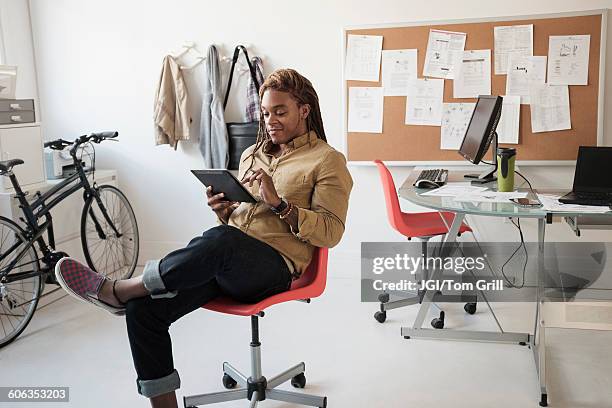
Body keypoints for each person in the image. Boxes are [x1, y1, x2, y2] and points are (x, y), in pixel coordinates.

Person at [55, 68, 353, 408]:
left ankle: (120, 289)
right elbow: (242, 215)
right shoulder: (251, 154)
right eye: (266, 113)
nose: (271, 121)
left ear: (304, 110)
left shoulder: (327, 160)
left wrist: (279, 204)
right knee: (144, 310)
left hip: (275, 268)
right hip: (229, 259)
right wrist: (223, 209)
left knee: (221, 241)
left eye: (280, 112)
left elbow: (331, 232)